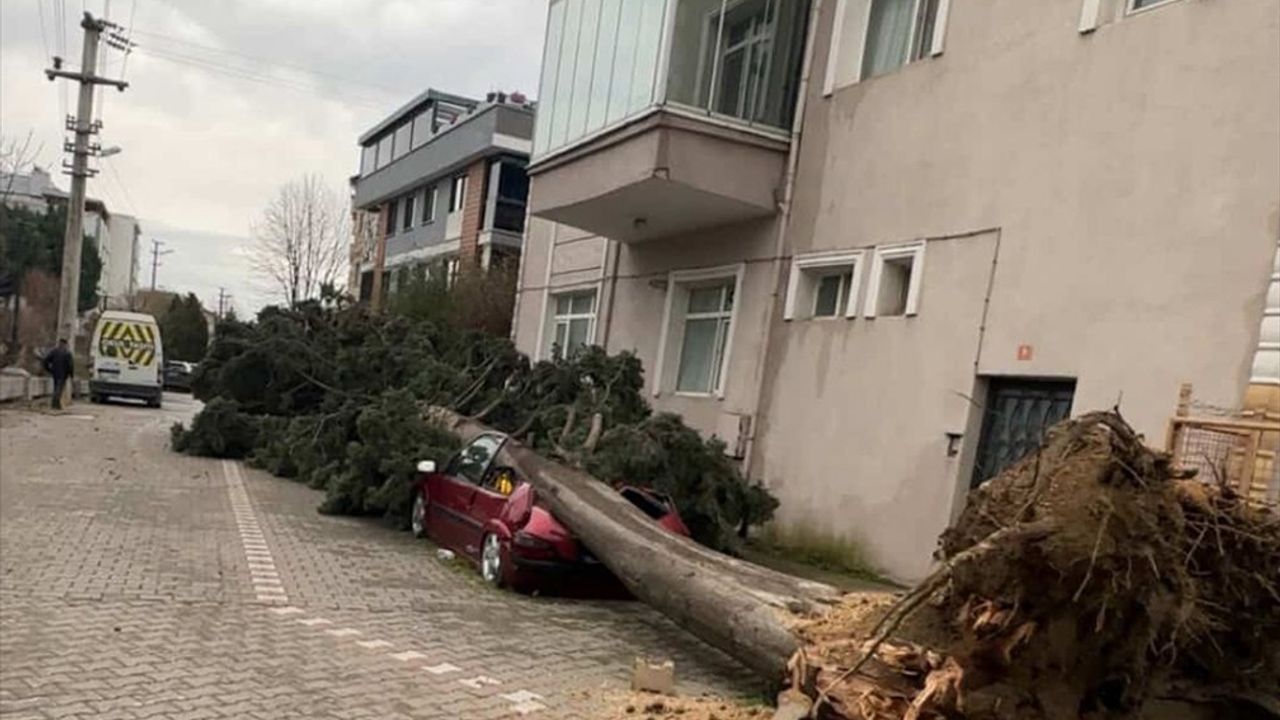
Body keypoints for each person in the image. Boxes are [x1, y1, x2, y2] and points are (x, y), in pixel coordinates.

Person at [42, 339, 74, 410]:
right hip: (63, 374)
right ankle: (55, 404)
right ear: (65, 344)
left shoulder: (54, 351)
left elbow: (45, 360)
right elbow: (70, 365)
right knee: (59, 388)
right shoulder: (67, 353)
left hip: (55, 373)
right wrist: (71, 375)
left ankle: (55, 404)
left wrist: (48, 369)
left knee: (56, 387)